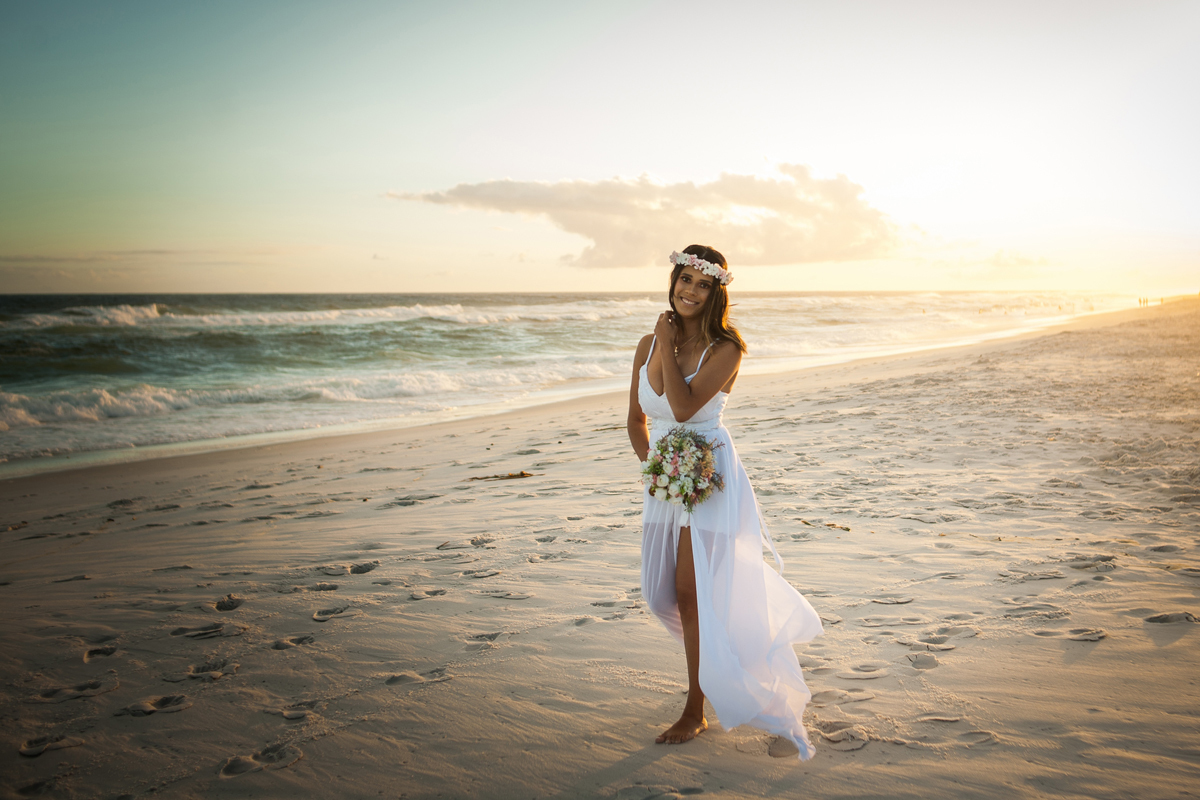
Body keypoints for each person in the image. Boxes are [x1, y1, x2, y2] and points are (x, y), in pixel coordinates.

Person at [626, 244, 824, 758]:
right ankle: (721, 662)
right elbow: (636, 419)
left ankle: (697, 707)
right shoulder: (647, 343)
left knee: (694, 596)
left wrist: (670, 343)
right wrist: (656, 471)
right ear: (672, 282)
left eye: (702, 284)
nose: (689, 291)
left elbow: (686, 409)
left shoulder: (726, 348)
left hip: (709, 476)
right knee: (660, 595)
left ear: (717, 292)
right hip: (666, 481)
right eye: (683, 280)